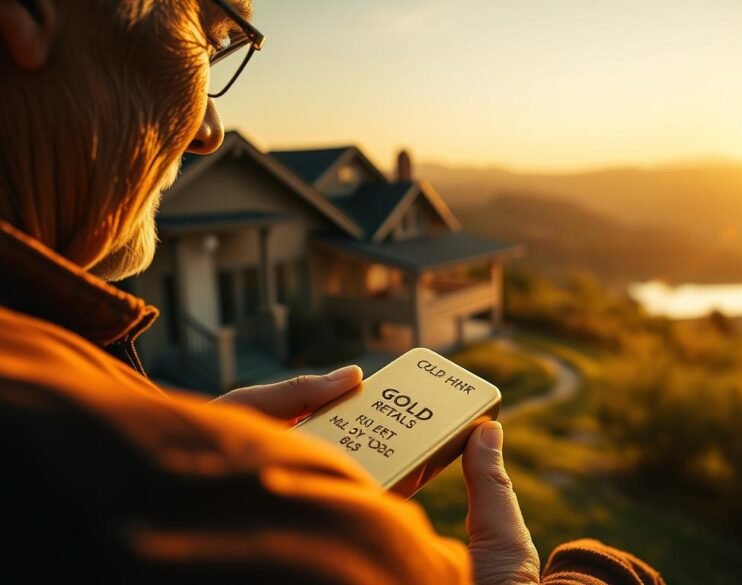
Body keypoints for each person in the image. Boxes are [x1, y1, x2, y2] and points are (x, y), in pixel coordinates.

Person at [0, 0, 664, 583]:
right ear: (29, 9)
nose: (209, 130)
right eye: (206, 33)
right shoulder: (208, 517)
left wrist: (171, 433)